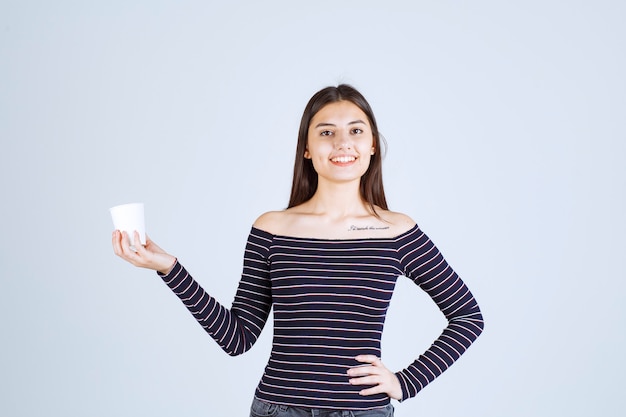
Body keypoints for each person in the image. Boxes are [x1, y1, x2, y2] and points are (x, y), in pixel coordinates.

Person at [112, 84, 484, 417]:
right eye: (326, 133)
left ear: (372, 144)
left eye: (355, 130)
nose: (342, 143)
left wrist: (406, 382)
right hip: (278, 408)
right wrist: (170, 269)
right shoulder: (272, 228)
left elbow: (468, 317)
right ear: (307, 148)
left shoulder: (395, 231)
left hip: (360, 411)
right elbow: (237, 337)